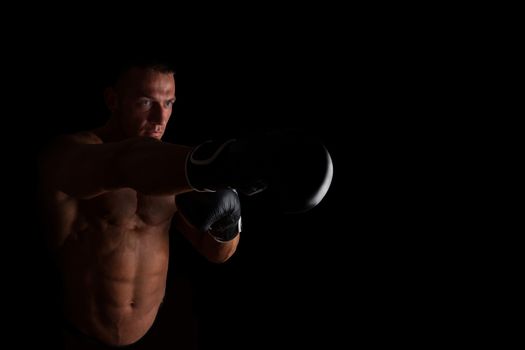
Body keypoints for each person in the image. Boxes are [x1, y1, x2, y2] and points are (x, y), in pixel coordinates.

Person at [38, 57, 333, 348]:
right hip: (74, 337)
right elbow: (122, 163)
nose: (159, 118)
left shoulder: (173, 171)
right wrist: (224, 163)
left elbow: (218, 254)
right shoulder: (71, 154)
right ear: (113, 100)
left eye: (168, 104)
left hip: (154, 336)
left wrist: (227, 224)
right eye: (145, 102)